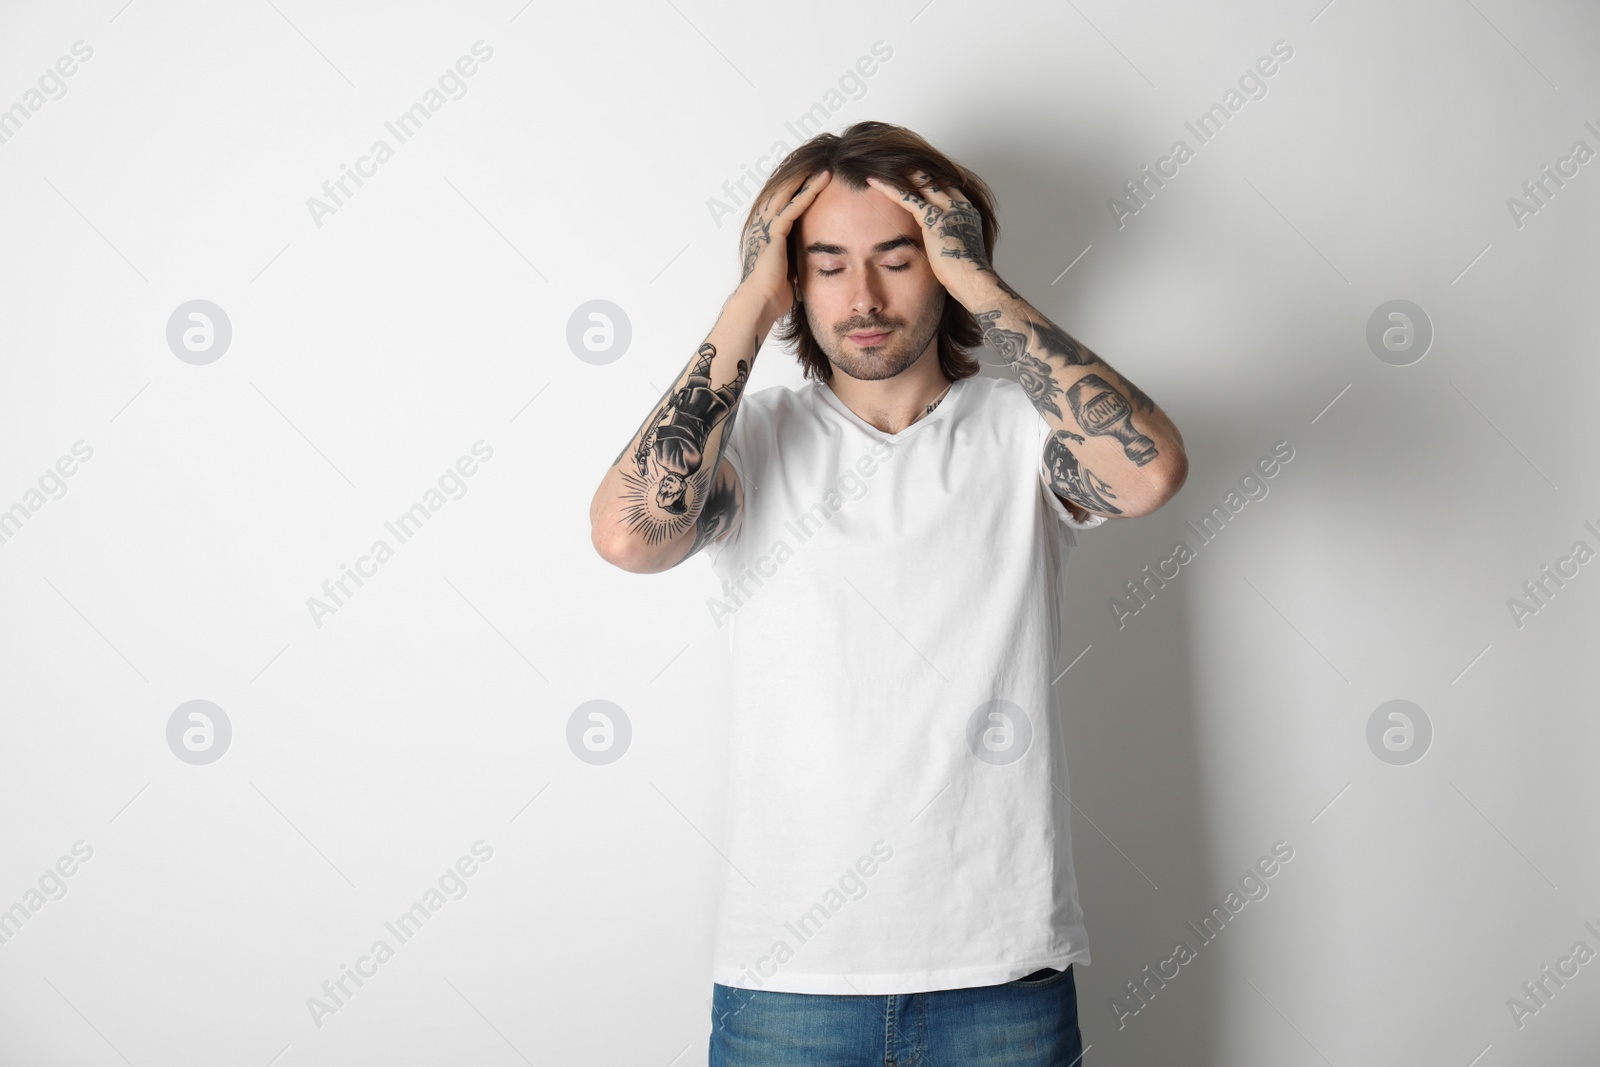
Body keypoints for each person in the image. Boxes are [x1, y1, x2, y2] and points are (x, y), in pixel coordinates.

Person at [590, 121, 1188, 1066]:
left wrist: (983, 285)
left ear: (945, 266)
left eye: (897, 259)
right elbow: (630, 535)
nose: (862, 298)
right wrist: (748, 300)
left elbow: (1148, 475)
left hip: (1001, 976)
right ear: (793, 282)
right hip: (788, 982)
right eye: (825, 265)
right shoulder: (752, 443)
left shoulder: (1018, 431)